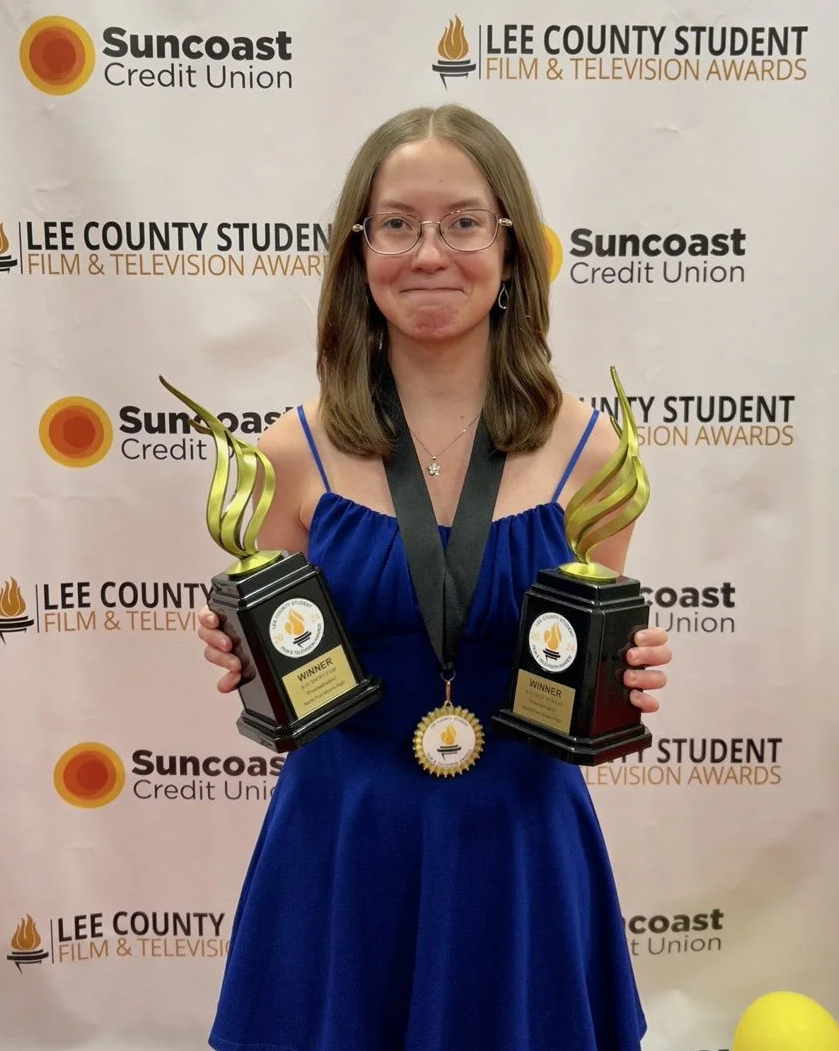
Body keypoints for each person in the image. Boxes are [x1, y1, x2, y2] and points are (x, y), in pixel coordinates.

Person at [198, 105, 672, 1051]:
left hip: (522, 850)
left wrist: (630, 677)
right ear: (357, 251)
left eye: (462, 221)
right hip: (343, 844)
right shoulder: (289, 455)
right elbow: (286, 664)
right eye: (398, 223)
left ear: (510, 247)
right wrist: (237, 649)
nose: (429, 253)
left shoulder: (594, 455)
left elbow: (581, 681)